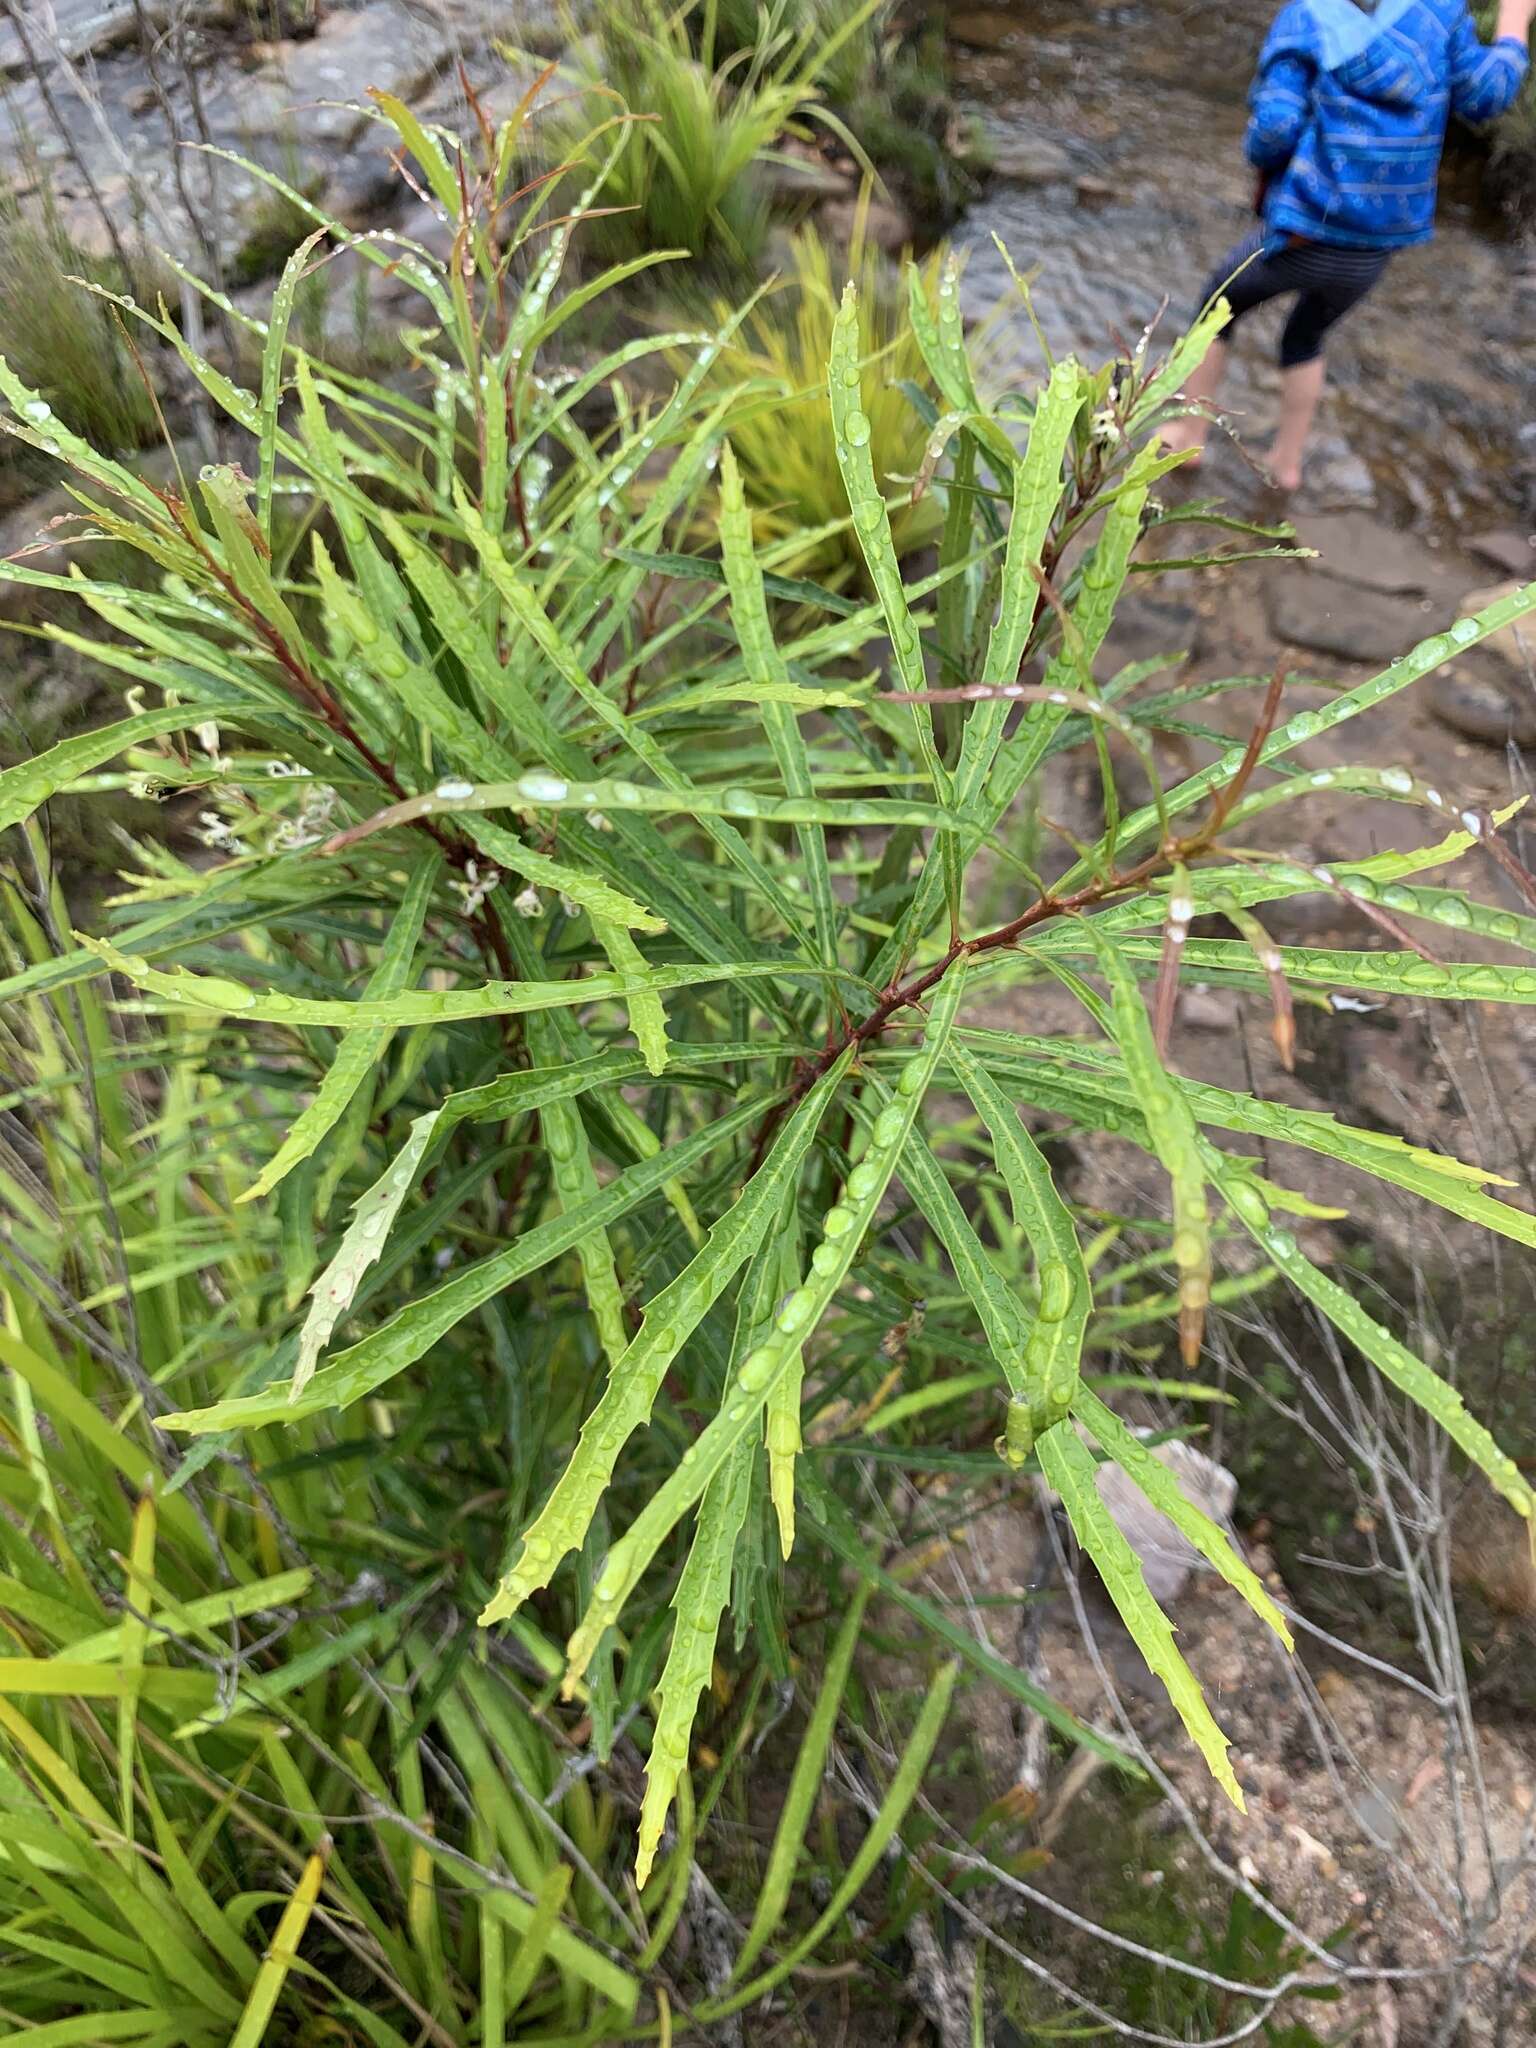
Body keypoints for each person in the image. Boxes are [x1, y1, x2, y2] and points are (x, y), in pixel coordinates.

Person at [1162, 0, 1535, 491]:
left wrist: (1260, 154)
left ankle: (1191, 437)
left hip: (1303, 231)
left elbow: (1275, 126)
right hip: (1375, 244)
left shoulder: (1309, 15)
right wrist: (1513, 24)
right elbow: (1486, 95)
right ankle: (1286, 463)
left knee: (1217, 306)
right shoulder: (1439, 15)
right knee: (1305, 336)